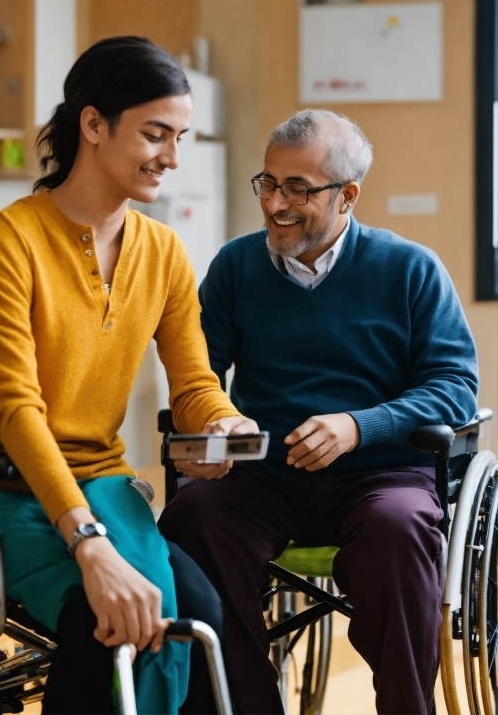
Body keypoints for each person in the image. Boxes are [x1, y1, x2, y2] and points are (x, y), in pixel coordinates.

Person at [0, 36, 257, 714]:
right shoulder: (10, 238)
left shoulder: (163, 250)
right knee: (101, 617)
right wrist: (88, 542)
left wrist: (221, 421)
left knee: (192, 610)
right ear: (93, 124)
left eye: (180, 137)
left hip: (101, 480)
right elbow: (16, 409)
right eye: (155, 134)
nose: (172, 156)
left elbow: (192, 381)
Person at [159, 108, 478, 714]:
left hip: (381, 476)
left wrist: (360, 426)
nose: (276, 203)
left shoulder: (410, 269)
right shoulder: (235, 267)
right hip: (266, 474)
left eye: (298, 189)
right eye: (269, 183)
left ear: (348, 194)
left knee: (401, 530)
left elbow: (454, 386)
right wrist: (213, 427)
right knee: (193, 520)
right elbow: (196, 377)